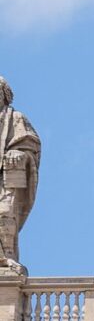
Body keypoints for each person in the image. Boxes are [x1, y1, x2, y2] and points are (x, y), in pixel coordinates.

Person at [0, 78, 38, 272]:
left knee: (5, 212)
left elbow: (31, 145)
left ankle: (6, 257)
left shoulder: (16, 119)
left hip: (6, 177)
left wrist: (19, 153)